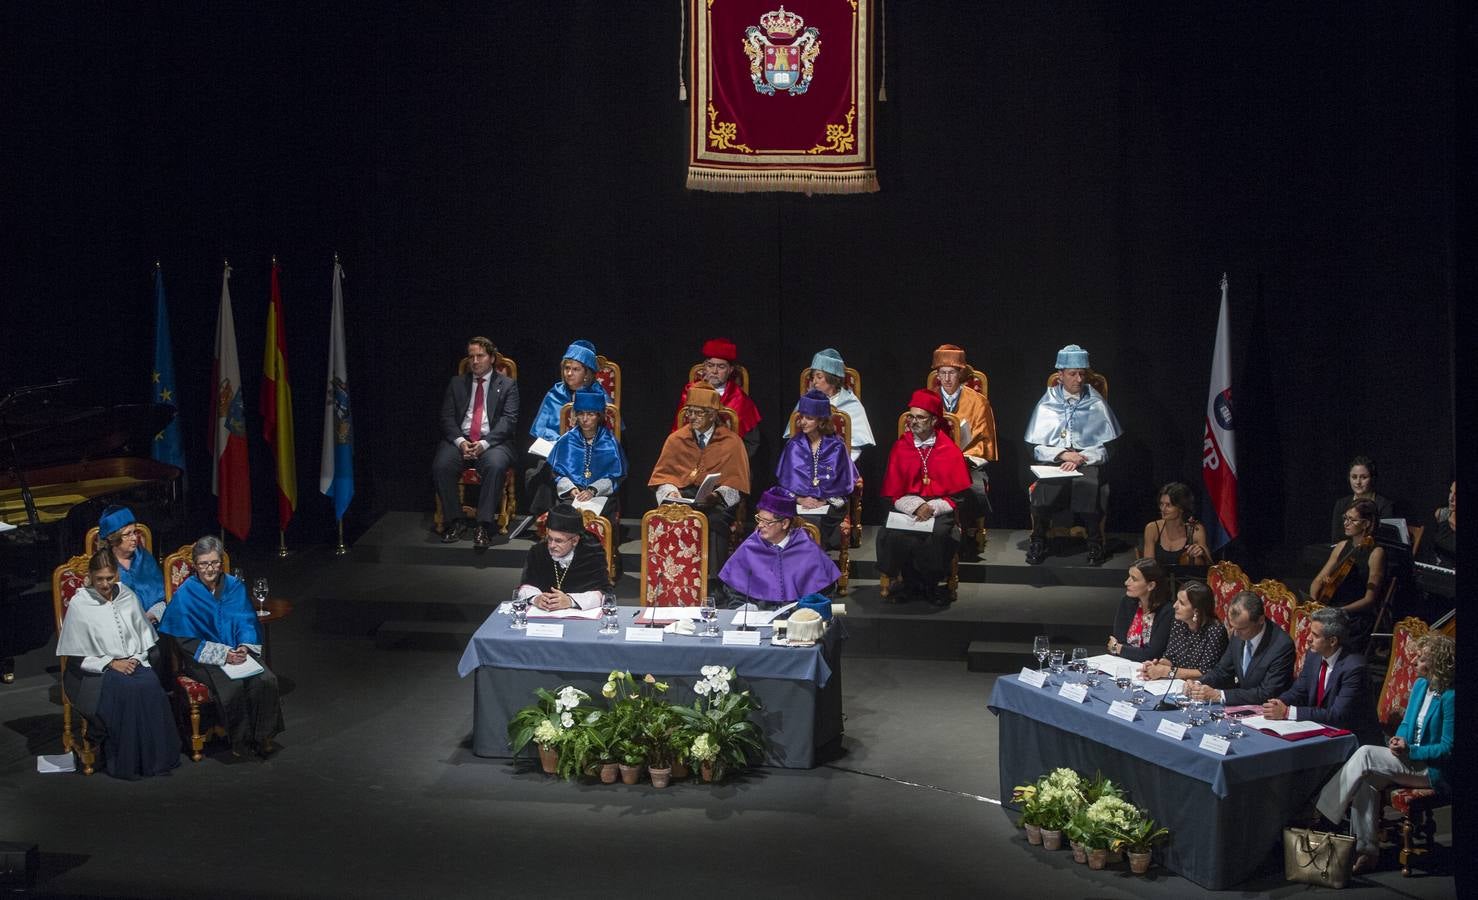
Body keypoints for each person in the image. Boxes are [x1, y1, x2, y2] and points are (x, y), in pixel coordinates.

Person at [1316, 633, 1454, 875]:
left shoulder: (1451, 697)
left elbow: (1449, 748)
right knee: (1365, 781)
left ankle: (1321, 813)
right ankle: (1366, 851)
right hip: (1409, 757)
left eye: (1421, 659)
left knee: (1366, 753)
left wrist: (1412, 750)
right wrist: (1398, 739)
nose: (1413, 662)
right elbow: (1406, 723)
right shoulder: (1421, 685)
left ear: (1438, 664)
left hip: (1432, 768)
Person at [56, 549, 179, 779]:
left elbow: (143, 636)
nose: (105, 584)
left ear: (117, 575)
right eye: (100, 579)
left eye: (110, 578)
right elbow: (77, 656)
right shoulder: (80, 603)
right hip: (95, 671)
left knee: (151, 686)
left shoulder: (127, 595)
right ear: (91, 576)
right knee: (129, 690)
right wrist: (112, 663)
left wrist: (134, 659)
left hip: (133, 660)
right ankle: (127, 764)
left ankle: (156, 761)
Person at [158, 536, 283, 758]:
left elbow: (246, 620)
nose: (210, 569)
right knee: (231, 687)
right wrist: (224, 655)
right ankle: (240, 741)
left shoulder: (233, 586)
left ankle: (263, 736)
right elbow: (185, 640)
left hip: (237, 651)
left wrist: (244, 647)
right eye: (204, 564)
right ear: (196, 565)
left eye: (215, 563)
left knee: (266, 679)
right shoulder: (186, 594)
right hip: (203, 657)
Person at [1023, 344, 1122, 566]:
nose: (1078, 379)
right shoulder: (1048, 403)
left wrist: (1082, 456)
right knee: (1043, 491)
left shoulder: (1095, 402)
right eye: (1072, 374)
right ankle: (1038, 539)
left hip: (1086, 461)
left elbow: (1110, 446)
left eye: (1082, 374)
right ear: (1060, 375)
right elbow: (1033, 446)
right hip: (1056, 462)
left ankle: (1095, 542)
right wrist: (1062, 454)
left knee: (1088, 485)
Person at [876, 390, 971, 607]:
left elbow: (957, 495)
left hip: (938, 509)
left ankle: (930, 586)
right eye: (911, 416)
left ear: (934, 421)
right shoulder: (901, 447)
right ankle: (907, 584)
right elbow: (893, 491)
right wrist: (916, 506)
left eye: (920, 417)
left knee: (936, 535)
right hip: (907, 508)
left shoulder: (949, 450)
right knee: (893, 534)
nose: (913, 422)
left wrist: (931, 507)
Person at [650, 382, 751, 567]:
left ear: (712, 414)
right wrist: (671, 491)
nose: (692, 417)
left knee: (715, 519)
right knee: (667, 515)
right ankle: (673, 577)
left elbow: (736, 481)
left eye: (699, 413)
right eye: (690, 411)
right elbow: (664, 476)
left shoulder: (731, 441)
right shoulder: (676, 439)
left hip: (715, 501)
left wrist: (716, 495)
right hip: (682, 497)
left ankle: (712, 581)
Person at [433, 336, 520, 549]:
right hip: (461, 440)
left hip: (494, 442)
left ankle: (484, 524)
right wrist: (461, 442)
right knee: (441, 465)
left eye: (480, 356)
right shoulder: (456, 383)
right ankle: (456, 521)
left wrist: (484, 444)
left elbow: (509, 421)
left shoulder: (507, 385)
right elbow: (446, 418)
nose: (475, 361)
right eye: (471, 356)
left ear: (491, 358)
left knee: (496, 464)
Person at [1259, 606, 1381, 745]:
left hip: (1352, 741)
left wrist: (1287, 712)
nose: (1308, 638)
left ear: (1333, 641)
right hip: (1320, 732)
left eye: (1315, 635)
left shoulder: (1355, 668)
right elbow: (1298, 691)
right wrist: (1277, 703)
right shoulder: (1314, 656)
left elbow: (1337, 716)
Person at [525, 340, 613, 514]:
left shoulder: (598, 394)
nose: (569, 373)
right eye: (567, 368)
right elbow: (543, 429)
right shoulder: (555, 393)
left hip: (590, 452)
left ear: (587, 373)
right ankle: (545, 517)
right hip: (559, 452)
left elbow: (610, 429)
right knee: (543, 468)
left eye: (575, 369)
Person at [718, 487, 841, 607]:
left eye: (767, 521)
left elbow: (825, 591)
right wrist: (745, 608)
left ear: (784, 523)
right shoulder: (749, 547)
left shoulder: (806, 547)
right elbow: (734, 593)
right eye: (759, 519)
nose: (760, 525)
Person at [775, 389, 858, 550]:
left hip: (829, 506)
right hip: (798, 504)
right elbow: (784, 484)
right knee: (799, 519)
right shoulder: (794, 445)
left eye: (809, 418)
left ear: (821, 421)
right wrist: (799, 499)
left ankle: (814, 567)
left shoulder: (836, 447)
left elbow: (844, 485)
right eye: (802, 417)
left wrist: (824, 500)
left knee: (816, 522)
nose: (803, 422)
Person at [1185, 590, 1294, 705]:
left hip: (1267, 711)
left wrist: (1220, 695)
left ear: (1260, 620)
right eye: (1232, 627)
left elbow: (1267, 693)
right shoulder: (1237, 633)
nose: (1235, 634)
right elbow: (1222, 671)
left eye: (1242, 629)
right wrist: (1198, 683)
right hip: (1241, 707)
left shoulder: (1282, 646)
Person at [1309, 498, 1385, 651]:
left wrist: (1340, 611)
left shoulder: (1376, 553)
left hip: (1353, 614)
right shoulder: (1342, 546)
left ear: (1366, 524)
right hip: (1329, 607)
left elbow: (1369, 599)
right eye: (1345, 518)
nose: (1346, 523)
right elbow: (1318, 579)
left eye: (1352, 520)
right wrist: (1314, 601)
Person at [540, 387, 626, 518]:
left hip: (600, 495)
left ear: (598, 416)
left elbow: (615, 476)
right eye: (581, 414)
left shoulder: (609, 442)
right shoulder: (567, 440)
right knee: (565, 513)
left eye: (590, 414)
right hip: (573, 494)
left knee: (601, 513)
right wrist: (570, 489)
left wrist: (593, 490)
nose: (585, 419)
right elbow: (556, 472)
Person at [671, 337, 763, 459]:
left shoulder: (740, 400)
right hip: (692, 458)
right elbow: (679, 431)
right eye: (710, 365)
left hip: (728, 460)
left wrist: (732, 460)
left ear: (730, 370)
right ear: (704, 367)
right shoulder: (690, 392)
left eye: (721, 367)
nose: (714, 371)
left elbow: (751, 443)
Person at [781, 348, 875, 462]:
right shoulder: (806, 401)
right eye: (813, 377)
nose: (814, 381)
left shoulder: (851, 403)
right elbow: (795, 435)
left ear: (832, 379)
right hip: (807, 461)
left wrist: (838, 464)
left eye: (819, 377)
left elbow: (854, 446)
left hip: (840, 462)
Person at [515, 503, 612, 611]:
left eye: (559, 541)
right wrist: (536, 598)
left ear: (575, 540)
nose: (552, 545)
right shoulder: (538, 552)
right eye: (550, 538)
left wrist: (570, 601)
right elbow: (526, 585)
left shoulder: (592, 554)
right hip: (543, 617)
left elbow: (605, 593)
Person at [1137, 581, 1229, 682]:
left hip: (1205, 688)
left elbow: (1205, 673)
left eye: (1181, 603)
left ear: (1196, 611)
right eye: (1177, 600)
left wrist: (1166, 671)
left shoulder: (1215, 631)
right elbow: (1170, 658)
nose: (1174, 606)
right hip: (1180, 683)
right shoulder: (1179, 622)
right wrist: (1156, 666)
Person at [98, 505, 165, 623]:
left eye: (135, 532)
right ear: (114, 538)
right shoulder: (102, 564)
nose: (134, 538)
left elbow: (163, 596)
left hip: (154, 625)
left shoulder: (145, 558)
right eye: (128, 534)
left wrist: (151, 615)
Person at [1105, 558, 1173, 662]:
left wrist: (1118, 648)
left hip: (1150, 670)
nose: (1126, 582)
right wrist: (1119, 648)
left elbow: (1152, 655)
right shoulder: (1127, 602)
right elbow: (1119, 640)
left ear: (1151, 585)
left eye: (1134, 579)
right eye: (1128, 577)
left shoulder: (1167, 611)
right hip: (1124, 663)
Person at [1140, 483, 1209, 569]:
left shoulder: (1195, 529)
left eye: (1168, 505)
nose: (1163, 509)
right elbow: (1148, 568)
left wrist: (1202, 553)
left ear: (1181, 508)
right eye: (1161, 504)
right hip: (1159, 580)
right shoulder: (1152, 528)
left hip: (1188, 580)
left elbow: (1210, 566)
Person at [1329, 456, 1394, 544]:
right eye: (1354, 477)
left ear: (1372, 478)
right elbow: (1336, 538)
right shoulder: (1341, 504)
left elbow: (1385, 539)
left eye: (1364, 477)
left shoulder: (1384, 505)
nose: (1358, 482)